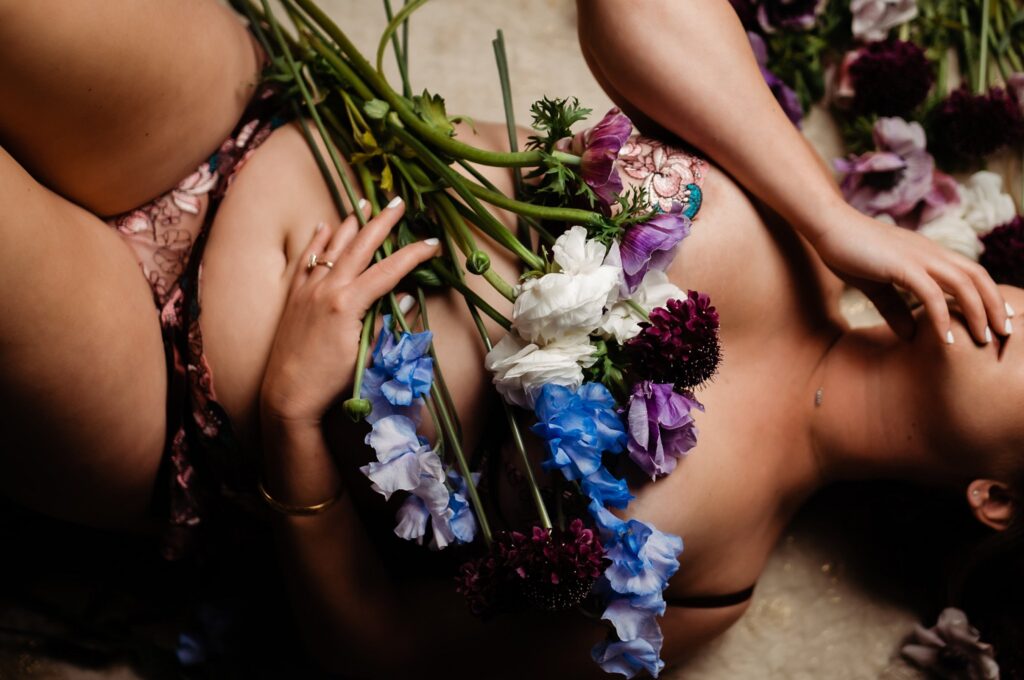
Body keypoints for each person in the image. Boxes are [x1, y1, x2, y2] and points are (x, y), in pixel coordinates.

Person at [0, 0, 1016, 677]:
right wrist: (831, 218)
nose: (1014, 303)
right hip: (245, 120)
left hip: (172, 402)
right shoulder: (795, 228)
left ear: (997, 496)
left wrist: (295, 422)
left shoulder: (712, 578)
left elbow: (383, 652)